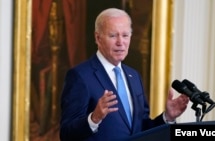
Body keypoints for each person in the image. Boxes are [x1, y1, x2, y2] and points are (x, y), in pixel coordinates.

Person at [59, 8, 189, 141]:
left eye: (125, 35)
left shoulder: (134, 76)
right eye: (113, 35)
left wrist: (167, 117)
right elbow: (66, 134)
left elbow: (142, 129)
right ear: (98, 38)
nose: (120, 42)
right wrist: (94, 118)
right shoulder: (80, 76)